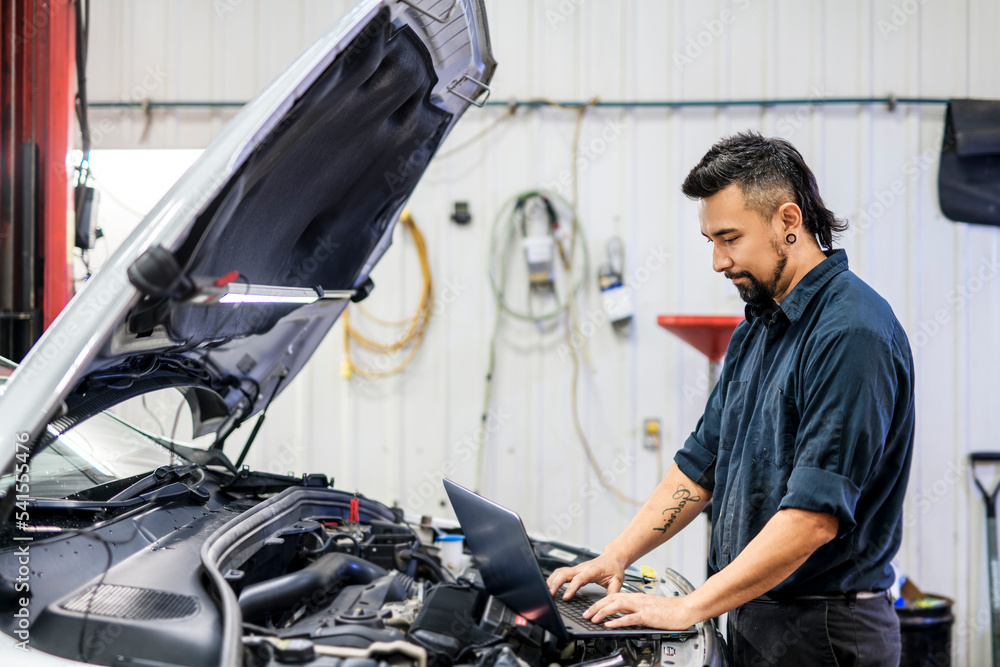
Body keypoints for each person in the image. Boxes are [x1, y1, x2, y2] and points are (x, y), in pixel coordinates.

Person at [546, 131, 914, 666]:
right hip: (754, 612)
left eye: (730, 238)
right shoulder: (758, 329)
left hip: (824, 633)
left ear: (789, 221)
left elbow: (814, 518)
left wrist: (688, 607)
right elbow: (699, 467)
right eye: (710, 241)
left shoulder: (850, 333)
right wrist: (617, 554)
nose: (718, 261)